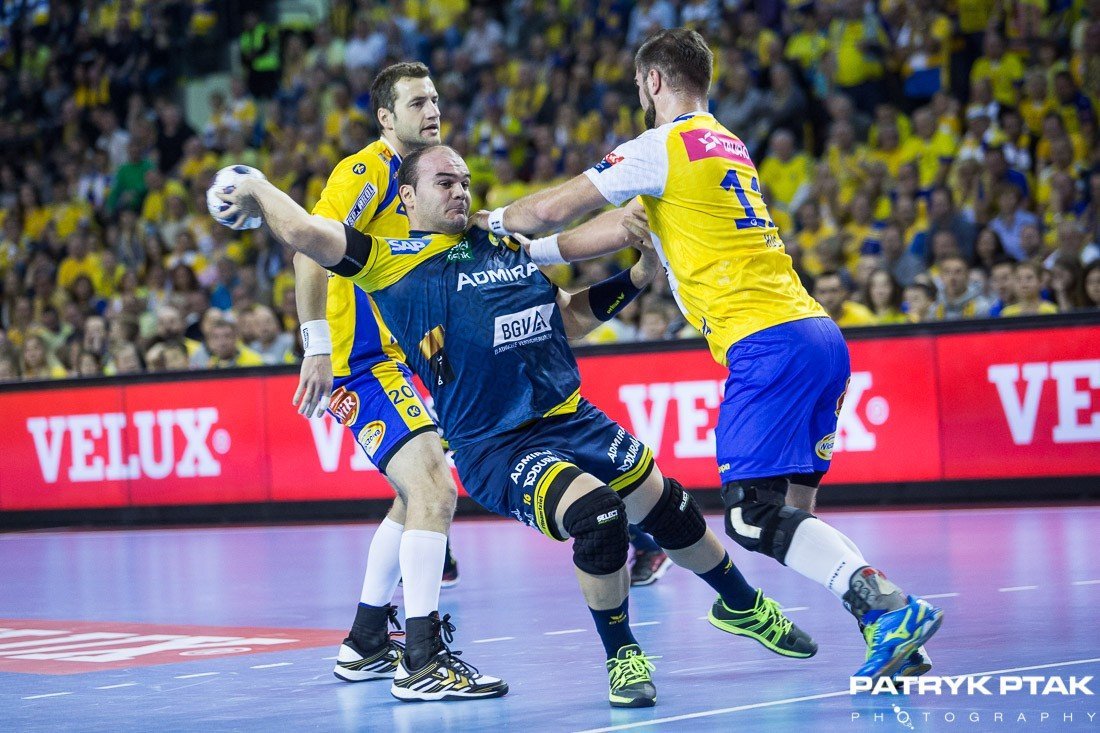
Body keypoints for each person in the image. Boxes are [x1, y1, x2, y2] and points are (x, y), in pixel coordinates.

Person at [214, 144, 815, 708]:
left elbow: (569, 319)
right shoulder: (385, 261)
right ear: (407, 198)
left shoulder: (501, 243)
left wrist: (633, 281)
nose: (460, 191)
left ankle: (743, 605)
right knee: (600, 517)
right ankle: (624, 657)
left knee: (670, 510)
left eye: (465, 182)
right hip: (497, 446)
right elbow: (305, 233)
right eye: (444, 182)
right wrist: (258, 187)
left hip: (571, 416)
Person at [475, 28, 942, 681]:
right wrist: (536, 255)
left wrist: (493, 226)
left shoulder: (659, 144)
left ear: (654, 81)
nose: (640, 95)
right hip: (818, 336)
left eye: (640, 85)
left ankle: (890, 607)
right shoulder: (724, 143)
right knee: (788, 517)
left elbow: (554, 206)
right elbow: (621, 227)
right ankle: (889, 631)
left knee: (750, 518)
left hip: (766, 344)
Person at [291, 62, 471, 695]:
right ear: (386, 118)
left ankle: (367, 639)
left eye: (435, 98)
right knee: (434, 490)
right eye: (417, 102)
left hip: (397, 359)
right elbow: (309, 247)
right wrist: (316, 348)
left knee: (412, 494)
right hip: (359, 363)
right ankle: (422, 659)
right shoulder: (368, 172)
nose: (433, 109)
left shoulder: (424, 177)